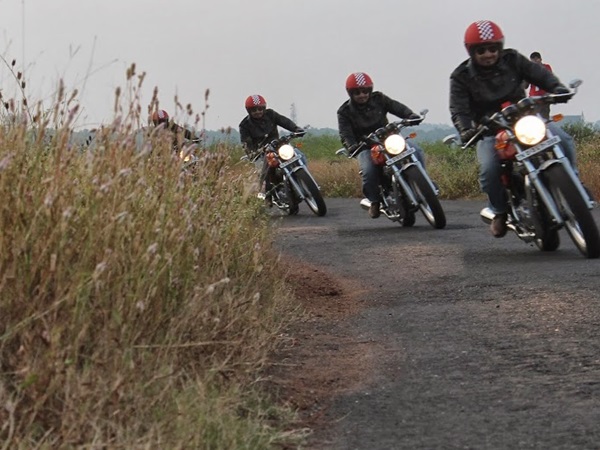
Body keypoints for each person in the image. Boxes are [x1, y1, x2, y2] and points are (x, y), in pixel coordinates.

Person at [449, 20, 576, 238]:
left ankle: (573, 183)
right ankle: (499, 211)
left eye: (492, 49)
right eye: (481, 50)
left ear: (499, 47)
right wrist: (466, 129)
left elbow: (539, 74)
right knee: (489, 169)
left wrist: (557, 88)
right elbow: (459, 109)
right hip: (490, 130)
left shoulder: (513, 59)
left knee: (562, 139)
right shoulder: (461, 76)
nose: (488, 54)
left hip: (524, 119)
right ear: (472, 51)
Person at [337, 72, 426, 219]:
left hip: (388, 139)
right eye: (357, 92)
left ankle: (424, 181)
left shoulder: (379, 99)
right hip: (365, 146)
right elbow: (345, 133)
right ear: (350, 94)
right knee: (368, 171)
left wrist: (410, 115)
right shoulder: (344, 112)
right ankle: (375, 201)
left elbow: (396, 107)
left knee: (415, 150)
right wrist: (351, 146)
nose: (362, 95)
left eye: (365, 91)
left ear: (370, 90)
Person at [238, 95, 304, 206]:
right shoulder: (244, 125)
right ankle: (266, 196)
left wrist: (296, 129)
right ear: (249, 111)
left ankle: (303, 178)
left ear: (264, 108)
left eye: (260, 108)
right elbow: (246, 143)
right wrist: (253, 152)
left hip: (278, 146)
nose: (258, 112)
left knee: (298, 154)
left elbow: (284, 121)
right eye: (254, 110)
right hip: (260, 153)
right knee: (264, 171)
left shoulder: (271, 114)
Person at [525, 51, 554, 119]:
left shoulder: (546, 67)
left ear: (540, 59)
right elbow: (525, 86)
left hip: (544, 98)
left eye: (536, 60)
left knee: (544, 118)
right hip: (533, 98)